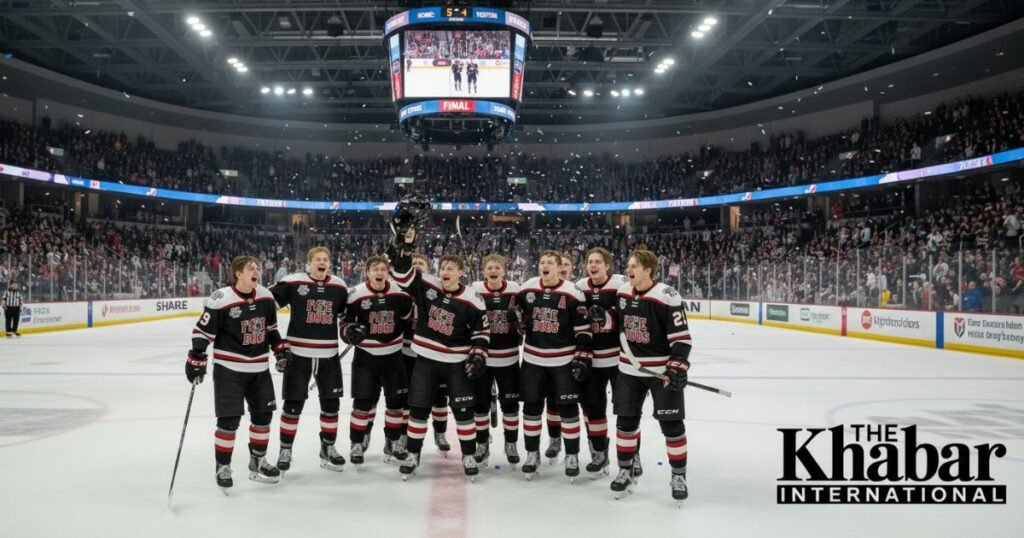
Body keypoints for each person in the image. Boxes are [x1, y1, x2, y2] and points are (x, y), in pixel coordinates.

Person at [591, 249, 693, 502]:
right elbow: (618, 321)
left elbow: (682, 339)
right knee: (625, 424)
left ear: (648, 269)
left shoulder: (667, 296)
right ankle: (625, 470)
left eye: (634, 266)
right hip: (628, 369)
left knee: (672, 426)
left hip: (660, 372)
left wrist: (677, 367)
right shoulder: (624, 292)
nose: (628, 270)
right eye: (628, 265)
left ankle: (678, 475)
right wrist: (603, 317)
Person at [188, 255, 289, 492]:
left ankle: (258, 461)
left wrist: (280, 351)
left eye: (257, 267)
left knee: (263, 417)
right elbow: (202, 331)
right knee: (229, 421)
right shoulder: (220, 299)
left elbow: (271, 329)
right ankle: (223, 466)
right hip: (229, 370)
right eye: (251, 268)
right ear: (238, 274)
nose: (257, 271)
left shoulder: (266, 296)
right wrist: (197, 357)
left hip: (259, 368)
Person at [390, 244, 490, 479]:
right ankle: (414, 454)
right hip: (426, 361)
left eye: (451, 268)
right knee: (418, 411)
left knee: (464, 413)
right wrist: (405, 244)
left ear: (460, 273)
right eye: (443, 267)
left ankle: (468, 454)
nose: (445, 271)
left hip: (457, 364)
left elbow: (482, 334)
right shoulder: (428, 286)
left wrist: (477, 356)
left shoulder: (473, 299)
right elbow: (403, 275)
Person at [268, 247, 349, 473]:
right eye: (317, 259)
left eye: (325, 259)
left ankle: (328, 448)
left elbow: (348, 316)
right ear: (309, 263)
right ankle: (285, 450)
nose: (322, 262)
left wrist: (354, 329)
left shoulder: (339, 286)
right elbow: (266, 303)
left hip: (329, 355)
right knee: (293, 406)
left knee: (331, 406)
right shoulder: (293, 282)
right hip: (298, 355)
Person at [517, 250, 593, 480]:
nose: (545, 265)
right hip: (532, 360)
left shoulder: (572, 292)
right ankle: (532, 454)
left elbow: (583, 331)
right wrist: (517, 318)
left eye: (550, 262)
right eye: (542, 262)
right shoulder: (528, 287)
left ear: (560, 267)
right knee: (531, 409)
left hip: (563, 361)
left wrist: (581, 357)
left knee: (568, 410)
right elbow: (515, 309)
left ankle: (571, 455)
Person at [342, 256, 414, 466]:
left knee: (395, 404)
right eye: (376, 269)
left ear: (388, 272)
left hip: (393, 356)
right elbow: (344, 324)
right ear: (368, 272)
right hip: (366, 358)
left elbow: (409, 321)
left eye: (383, 268)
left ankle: (391, 442)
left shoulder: (400, 294)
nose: (380, 272)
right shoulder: (356, 294)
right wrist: (349, 332)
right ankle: (357, 443)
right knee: (363, 403)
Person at [575, 247, 628, 478]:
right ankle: (599, 453)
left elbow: (631, 315)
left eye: (598, 261)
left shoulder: (621, 285)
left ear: (607, 266)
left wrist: (609, 316)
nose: (593, 265)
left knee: (627, 411)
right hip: (592, 361)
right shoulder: (579, 287)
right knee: (593, 409)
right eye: (590, 261)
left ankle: (631, 456)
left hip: (619, 360)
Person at [471, 254, 523, 467]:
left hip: (508, 358)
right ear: (484, 271)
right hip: (483, 359)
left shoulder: (515, 289)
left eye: (497, 267)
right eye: (489, 267)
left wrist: (519, 321)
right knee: (480, 405)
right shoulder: (475, 290)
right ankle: (482, 444)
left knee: (510, 405)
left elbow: (524, 321)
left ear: (504, 270)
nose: (493, 270)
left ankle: (510, 443)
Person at [398, 253, 453, 455]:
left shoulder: (436, 292)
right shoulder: (400, 289)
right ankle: (403, 435)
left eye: (422, 264)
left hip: (432, 354)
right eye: (414, 265)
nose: (418, 267)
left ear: (429, 270)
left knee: (439, 396)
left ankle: (440, 433)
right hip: (405, 351)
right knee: (407, 398)